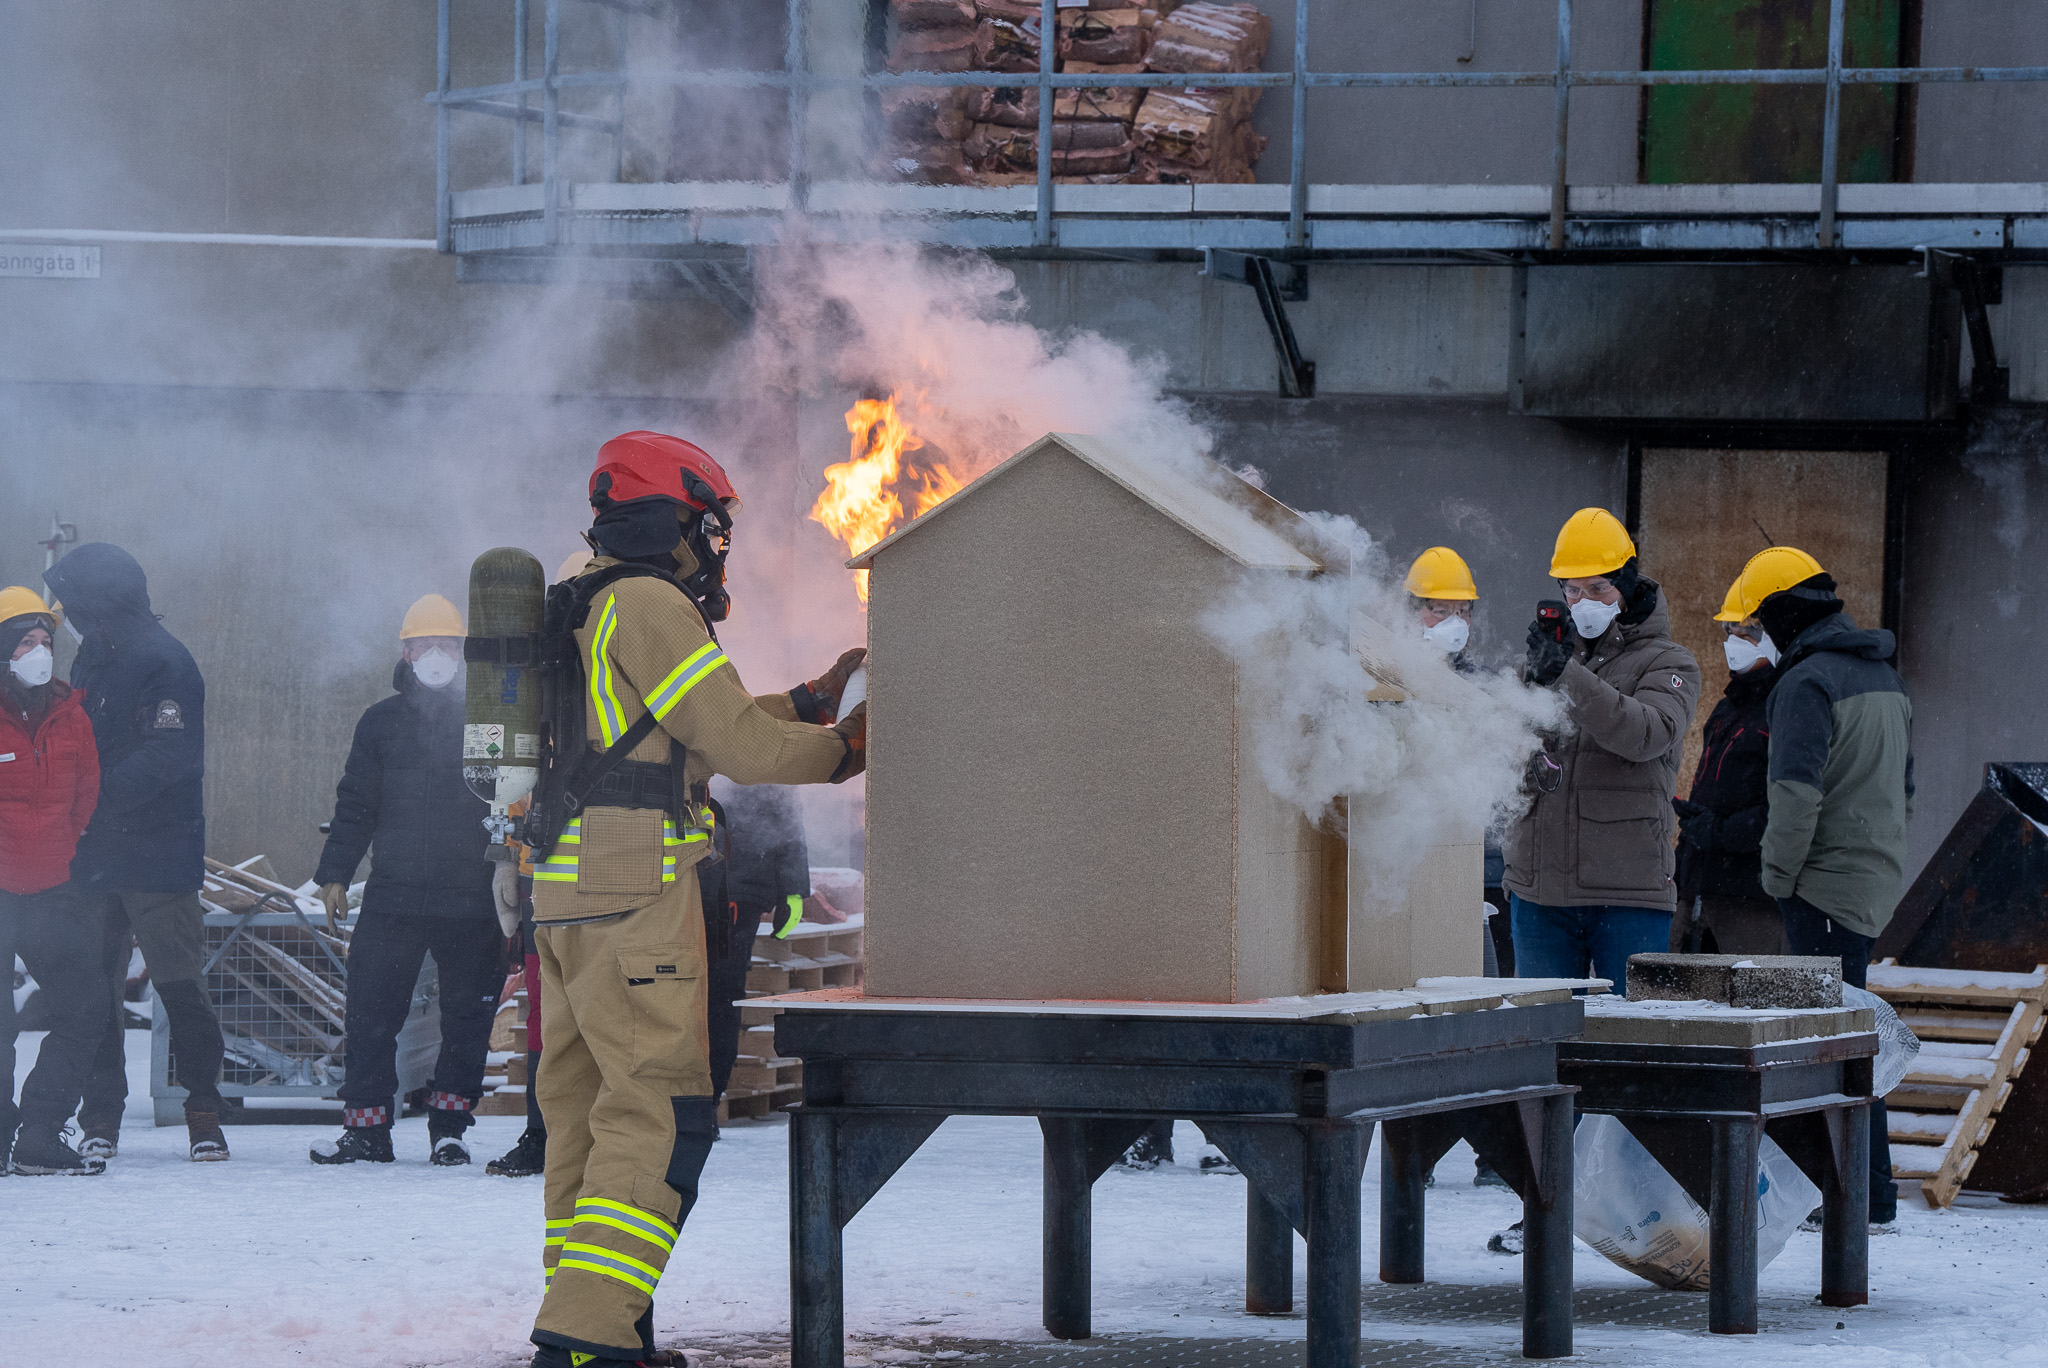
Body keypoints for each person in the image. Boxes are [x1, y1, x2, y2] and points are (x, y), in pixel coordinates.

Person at [522, 431, 867, 1368]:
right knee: (663, 1116)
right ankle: (584, 1339)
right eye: (709, 526)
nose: (715, 547)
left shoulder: (589, 601)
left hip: (566, 890)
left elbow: (686, 729)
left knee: (590, 1117)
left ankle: (604, 1329)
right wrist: (848, 750)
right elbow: (739, 751)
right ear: (670, 517)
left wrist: (807, 699)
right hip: (636, 894)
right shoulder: (650, 603)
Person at [1735, 546, 1911, 1226]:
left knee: (1833, 1047)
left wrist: (1777, 878)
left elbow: (1795, 795)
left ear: (1780, 615)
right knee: (1855, 1036)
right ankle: (1870, 1191)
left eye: (1756, 623)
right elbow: (1906, 789)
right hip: (1868, 877)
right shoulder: (1882, 675)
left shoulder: (1806, 683)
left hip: (1822, 885)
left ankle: (1857, 1195)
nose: (1754, 637)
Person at [43, 544, 229, 1164]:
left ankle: (203, 1111)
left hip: (157, 855)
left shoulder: (167, 662)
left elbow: (170, 757)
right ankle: (102, 1116)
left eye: (72, 603)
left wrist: (86, 794)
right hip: (94, 857)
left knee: (179, 988)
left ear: (100, 604)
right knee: (95, 995)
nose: (65, 616)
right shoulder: (93, 654)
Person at [308, 594, 504, 1167]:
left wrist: (511, 873)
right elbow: (356, 804)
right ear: (406, 651)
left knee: (467, 1019)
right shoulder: (380, 723)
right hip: (394, 895)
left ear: (463, 654)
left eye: (449, 645)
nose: (438, 655)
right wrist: (335, 873)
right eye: (427, 645)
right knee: (370, 1014)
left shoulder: (487, 723)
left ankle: (449, 1126)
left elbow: (509, 800)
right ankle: (367, 1131)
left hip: (471, 897)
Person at [1506, 509, 1701, 985]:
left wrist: (1566, 677)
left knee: (1635, 1039)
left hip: (1628, 890)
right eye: (1572, 590)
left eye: (1598, 588)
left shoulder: (1670, 662)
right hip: (1538, 889)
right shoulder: (1545, 660)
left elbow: (1644, 734)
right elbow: (1505, 754)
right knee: (1541, 1038)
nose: (1583, 601)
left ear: (1627, 586)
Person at [0, 588, 109, 1175]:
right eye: (25, 642)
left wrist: (61, 852)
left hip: (53, 891)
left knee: (85, 1010)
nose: (40, 653)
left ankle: (40, 1133)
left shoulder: (72, 715)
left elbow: (86, 796)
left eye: (45, 642)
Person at [1669, 578, 1786, 955]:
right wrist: (1695, 829)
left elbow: (1786, 811)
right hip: (1699, 887)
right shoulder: (1729, 708)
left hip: (1754, 902)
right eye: (1729, 630)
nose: (1734, 641)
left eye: (1748, 631)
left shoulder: (1787, 709)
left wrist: (1719, 832)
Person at [704, 780, 811, 1102]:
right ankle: (687, 1099)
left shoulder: (764, 743)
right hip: (677, 886)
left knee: (720, 997)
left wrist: (793, 886)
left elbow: (785, 808)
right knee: (680, 994)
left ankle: (706, 1099)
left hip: (738, 892)